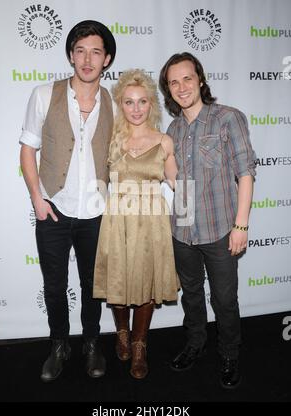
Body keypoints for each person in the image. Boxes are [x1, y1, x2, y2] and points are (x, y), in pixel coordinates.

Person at [19, 20, 116, 382]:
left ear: (106, 59)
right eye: (80, 51)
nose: (87, 59)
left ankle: (92, 343)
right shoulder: (44, 94)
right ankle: (59, 344)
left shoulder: (113, 101)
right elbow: (28, 151)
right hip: (53, 209)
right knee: (54, 285)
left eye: (95, 52)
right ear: (71, 55)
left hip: (96, 211)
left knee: (94, 286)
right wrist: (37, 200)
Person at [159, 52, 256, 389]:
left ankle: (229, 353)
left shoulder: (228, 118)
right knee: (191, 294)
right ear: (168, 90)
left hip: (220, 230)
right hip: (182, 230)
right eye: (174, 82)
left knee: (225, 299)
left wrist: (241, 225)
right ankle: (195, 343)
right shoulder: (171, 129)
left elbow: (245, 173)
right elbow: (175, 180)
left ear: (200, 79)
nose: (182, 86)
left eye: (187, 78)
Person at [93, 69, 179, 379]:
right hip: (118, 219)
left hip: (152, 221)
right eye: (129, 102)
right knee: (118, 279)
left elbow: (178, 183)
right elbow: (94, 178)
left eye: (142, 101)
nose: (136, 108)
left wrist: (191, 221)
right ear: (120, 104)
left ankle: (140, 343)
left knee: (145, 284)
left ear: (151, 104)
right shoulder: (110, 139)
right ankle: (121, 332)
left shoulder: (164, 140)